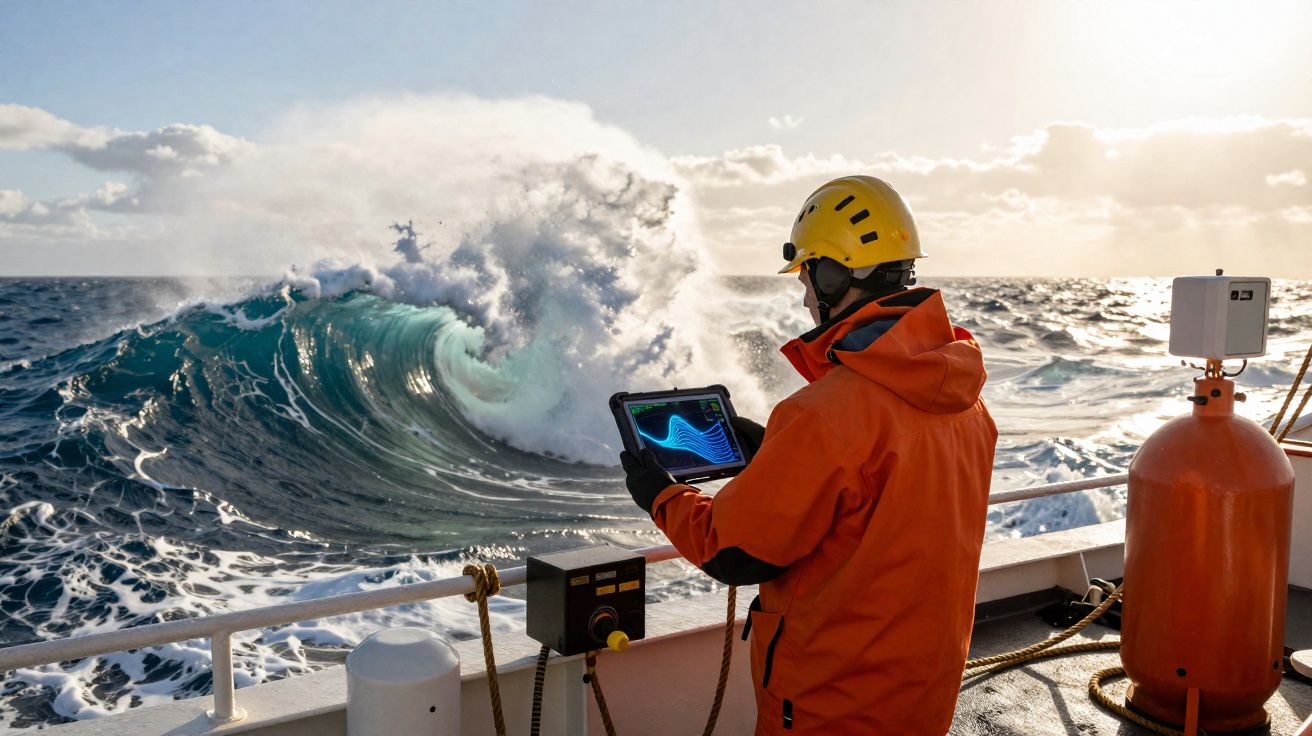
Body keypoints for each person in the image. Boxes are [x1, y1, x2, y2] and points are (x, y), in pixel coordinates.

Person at [621, 175, 997, 735]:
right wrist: (778, 451)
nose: (802, 296)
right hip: (922, 691)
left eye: (807, 275)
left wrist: (661, 496)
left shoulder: (825, 414)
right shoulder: (966, 401)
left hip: (833, 701)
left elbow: (732, 551)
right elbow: (877, 501)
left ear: (835, 274)